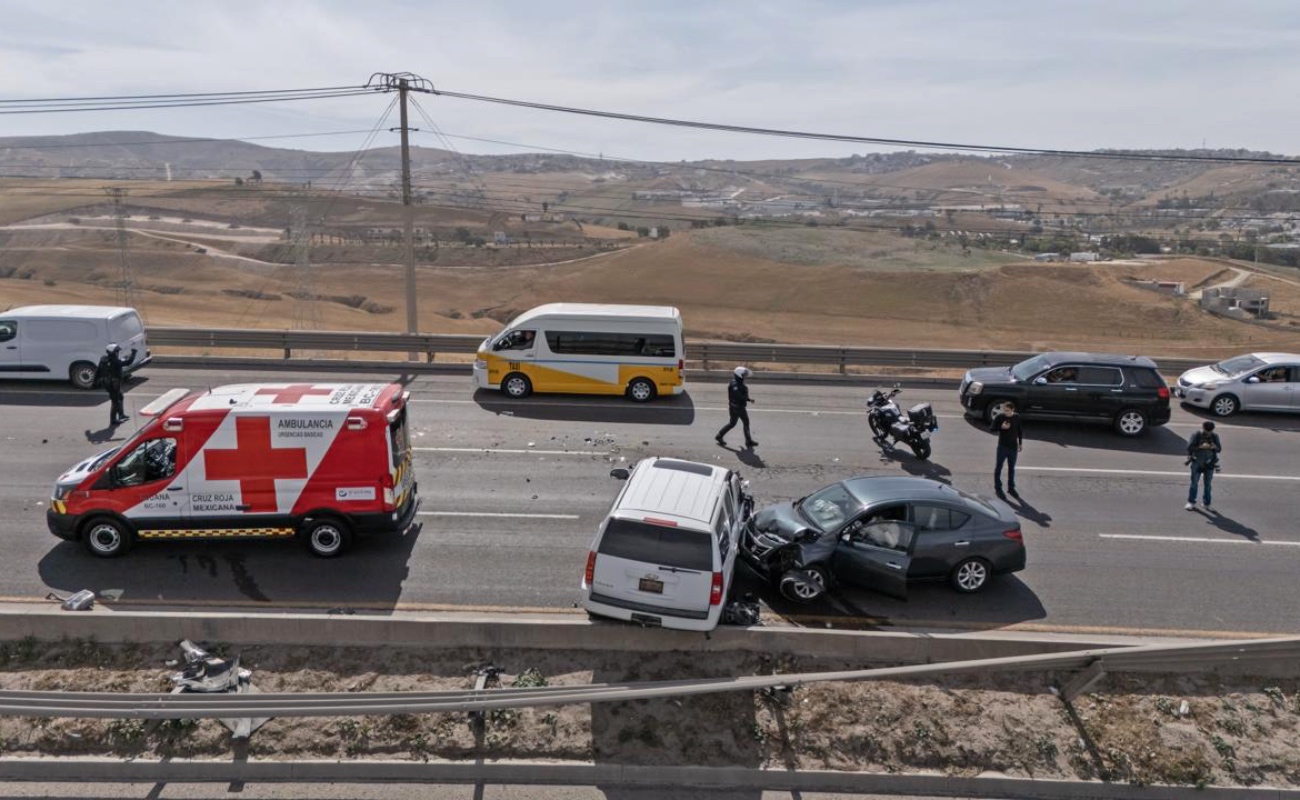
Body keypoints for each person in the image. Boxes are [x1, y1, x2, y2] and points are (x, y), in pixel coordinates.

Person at [94, 342, 138, 427]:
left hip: (108, 383)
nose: (118, 353)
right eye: (116, 352)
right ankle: (113, 420)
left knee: (120, 397)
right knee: (115, 402)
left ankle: (121, 415)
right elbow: (129, 362)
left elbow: (98, 370)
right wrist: (134, 352)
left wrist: (94, 382)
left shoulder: (103, 359)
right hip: (113, 384)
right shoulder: (115, 361)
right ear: (113, 352)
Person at [716, 366, 757, 449]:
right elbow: (737, 395)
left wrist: (749, 399)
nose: (745, 376)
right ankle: (748, 441)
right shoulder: (735, 384)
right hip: (738, 407)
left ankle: (719, 436)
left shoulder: (738, 382)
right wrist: (746, 398)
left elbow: (740, 395)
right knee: (746, 422)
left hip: (734, 406)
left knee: (732, 423)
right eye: (744, 374)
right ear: (739, 375)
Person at [1185, 420, 1222, 512]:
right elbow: (1189, 447)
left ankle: (1206, 503)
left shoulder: (1214, 436)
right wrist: (1200, 447)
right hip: (1197, 462)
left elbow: (1219, 449)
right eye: (1206, 431)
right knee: (1194, 484)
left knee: (1208, 485)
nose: (1208, 433)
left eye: (1210, 431)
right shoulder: (1196, 435)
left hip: (1209, 464)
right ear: (1203, 428)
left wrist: (1214, 447)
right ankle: (1191, 502)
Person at [989, 401, 1023, 500]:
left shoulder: (1017, 417)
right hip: (1002, 447)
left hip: (1013, 447)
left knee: (1011, 468)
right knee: (998, 467)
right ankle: (998, 488)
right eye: (1004, 410)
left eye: (1007, 410)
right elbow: (991, 428)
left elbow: (1020, 430)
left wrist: (1020, 443)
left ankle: (1011, 488)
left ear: (1012, 410)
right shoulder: (1000, 417)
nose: (1004, 412)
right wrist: (1001, 427)